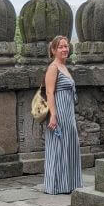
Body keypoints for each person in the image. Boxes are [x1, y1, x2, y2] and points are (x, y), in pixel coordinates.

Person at [43, 35, 83, 194]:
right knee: (58, 146)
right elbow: (49, 92)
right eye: (60, 47)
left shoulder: (64, 67)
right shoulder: (53, 67)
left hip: (68, 112)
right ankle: (55, 185)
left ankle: (69, 183)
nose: (65, 49)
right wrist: (53, 115)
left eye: (66, 46)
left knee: (70, 145)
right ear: (53, 50)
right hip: (58, 110)